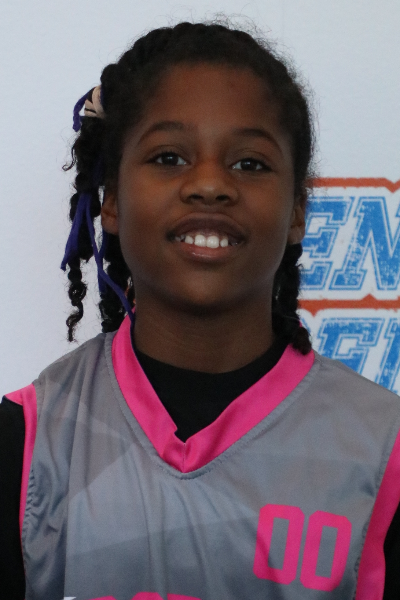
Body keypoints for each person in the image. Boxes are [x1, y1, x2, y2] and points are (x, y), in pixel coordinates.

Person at [1, 19, 400, 600]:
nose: (210, 184)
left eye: (249, 164)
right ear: (111, 202)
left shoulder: (383, 452)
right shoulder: (29, 443)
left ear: (297, 211)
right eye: (169, 157)